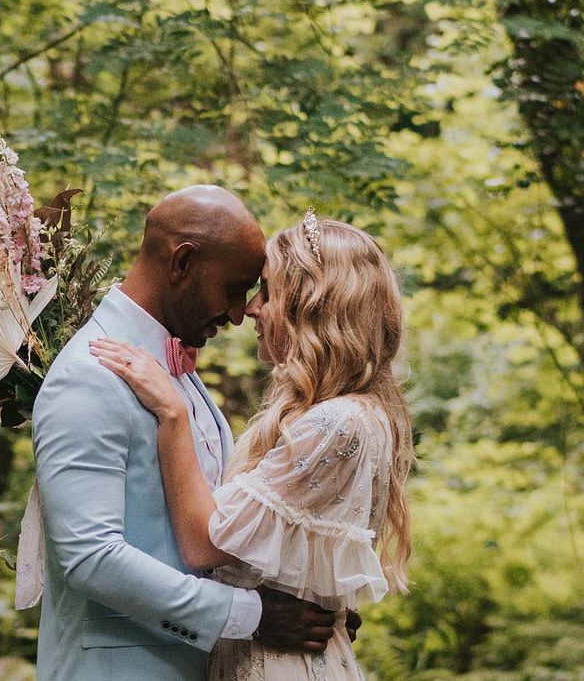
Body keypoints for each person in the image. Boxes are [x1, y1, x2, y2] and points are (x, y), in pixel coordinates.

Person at [20, 187, 348, 680]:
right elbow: (89, 557)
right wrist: (251, 617)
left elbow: (211, 528)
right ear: (182, 263)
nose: (240, 313)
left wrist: (310, 608)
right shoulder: (90, 375)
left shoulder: (174, 371)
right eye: (234, 288)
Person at [90, 211, 414, 679]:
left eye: (267, 292)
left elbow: (205, 545)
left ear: (312, 306)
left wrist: (173, 415)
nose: (250, 310)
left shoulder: (337, 421)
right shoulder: (341, 413)